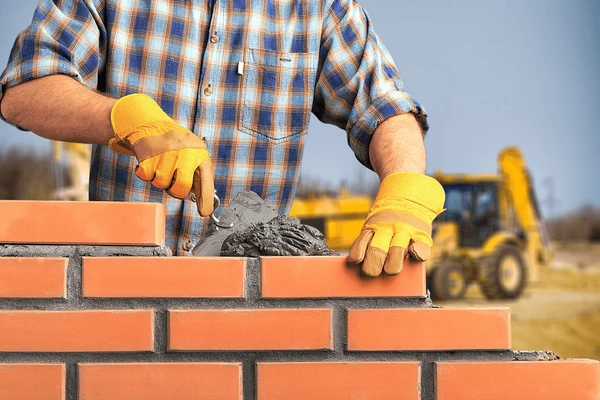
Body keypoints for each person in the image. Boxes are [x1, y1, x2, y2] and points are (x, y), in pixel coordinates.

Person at [0, 0, 445, 276]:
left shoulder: (317, 8)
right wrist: (126, 118)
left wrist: (405, 189)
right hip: (118, 291)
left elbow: (385, 107)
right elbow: (24, 88)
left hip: (248, 305)